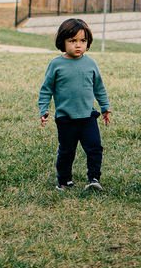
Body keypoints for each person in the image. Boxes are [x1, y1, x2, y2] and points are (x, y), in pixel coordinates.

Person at [38, 18, 111, 192]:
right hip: (66, 119)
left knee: (95, 148)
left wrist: (105, 107)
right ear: (62, 42)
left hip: (88, 117)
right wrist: (44, 109)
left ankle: (94, 178)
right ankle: (64, 180)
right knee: (66, 151)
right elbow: (46, 89)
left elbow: (99, 87)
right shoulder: (56, 64)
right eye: (72, 41)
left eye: (82, 41)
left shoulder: (91, 64)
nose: (78, 45)